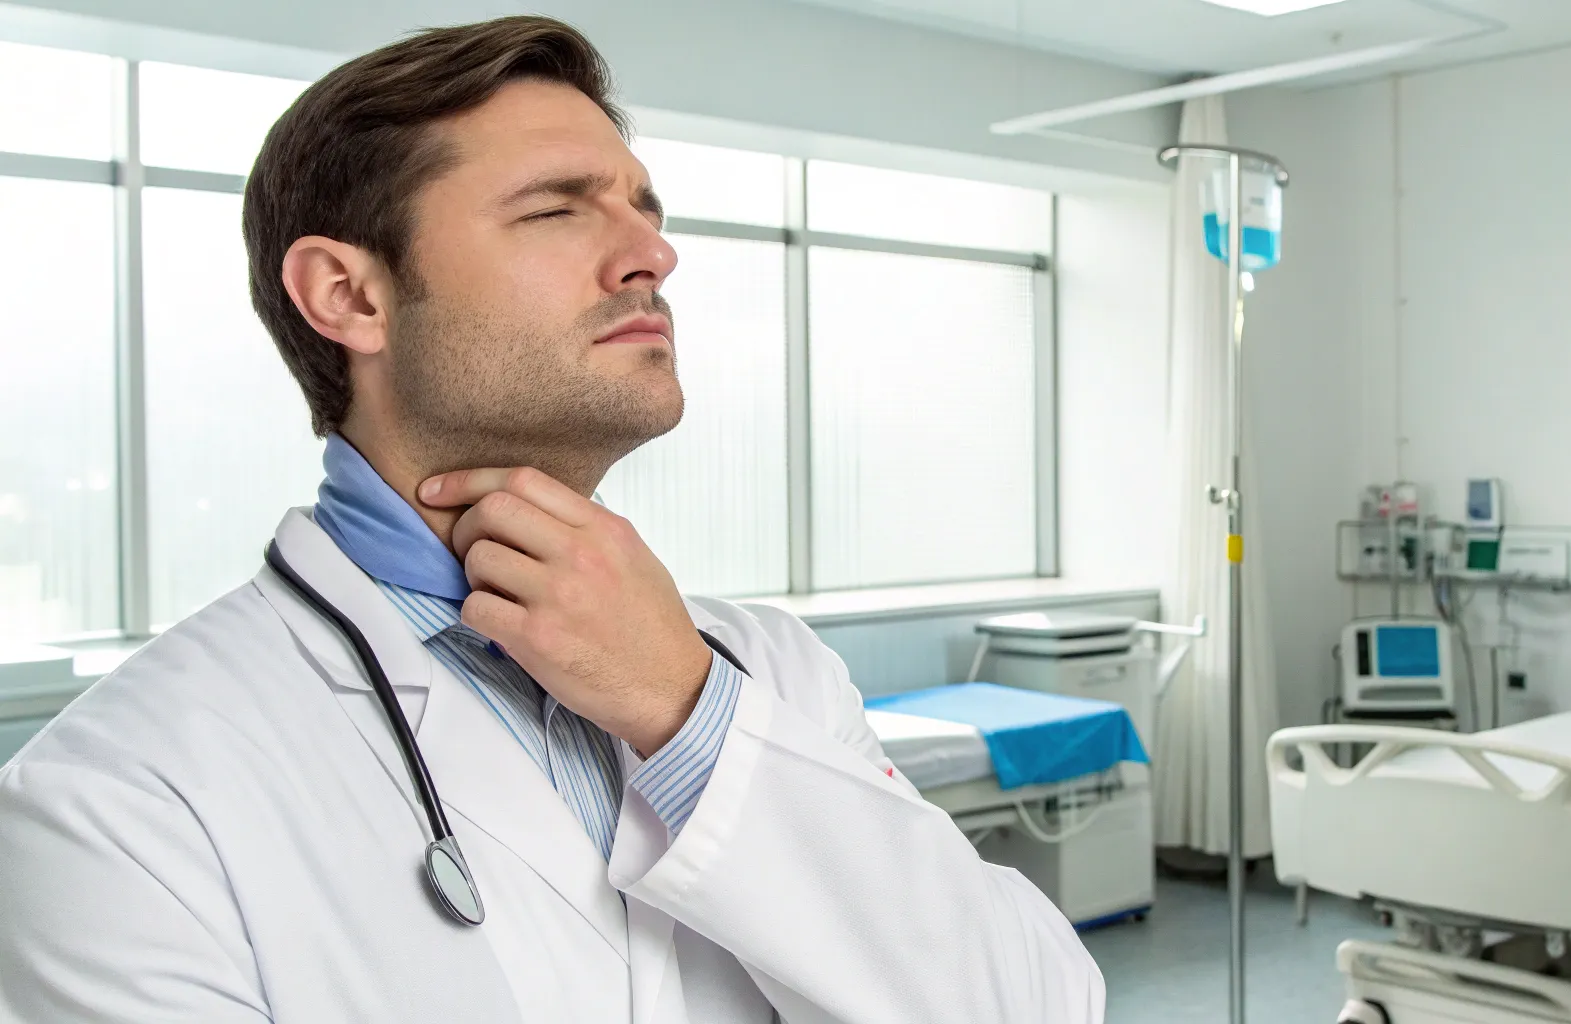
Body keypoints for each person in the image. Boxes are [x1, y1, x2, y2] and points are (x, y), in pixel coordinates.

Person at [0, 16, 1104, 1023]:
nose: (652, 255)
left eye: (643, 211)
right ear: (349, 295)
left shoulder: (764, 673)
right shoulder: (117, 792)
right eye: (556, 209)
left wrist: (688, 714)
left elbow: (1033, 1006)